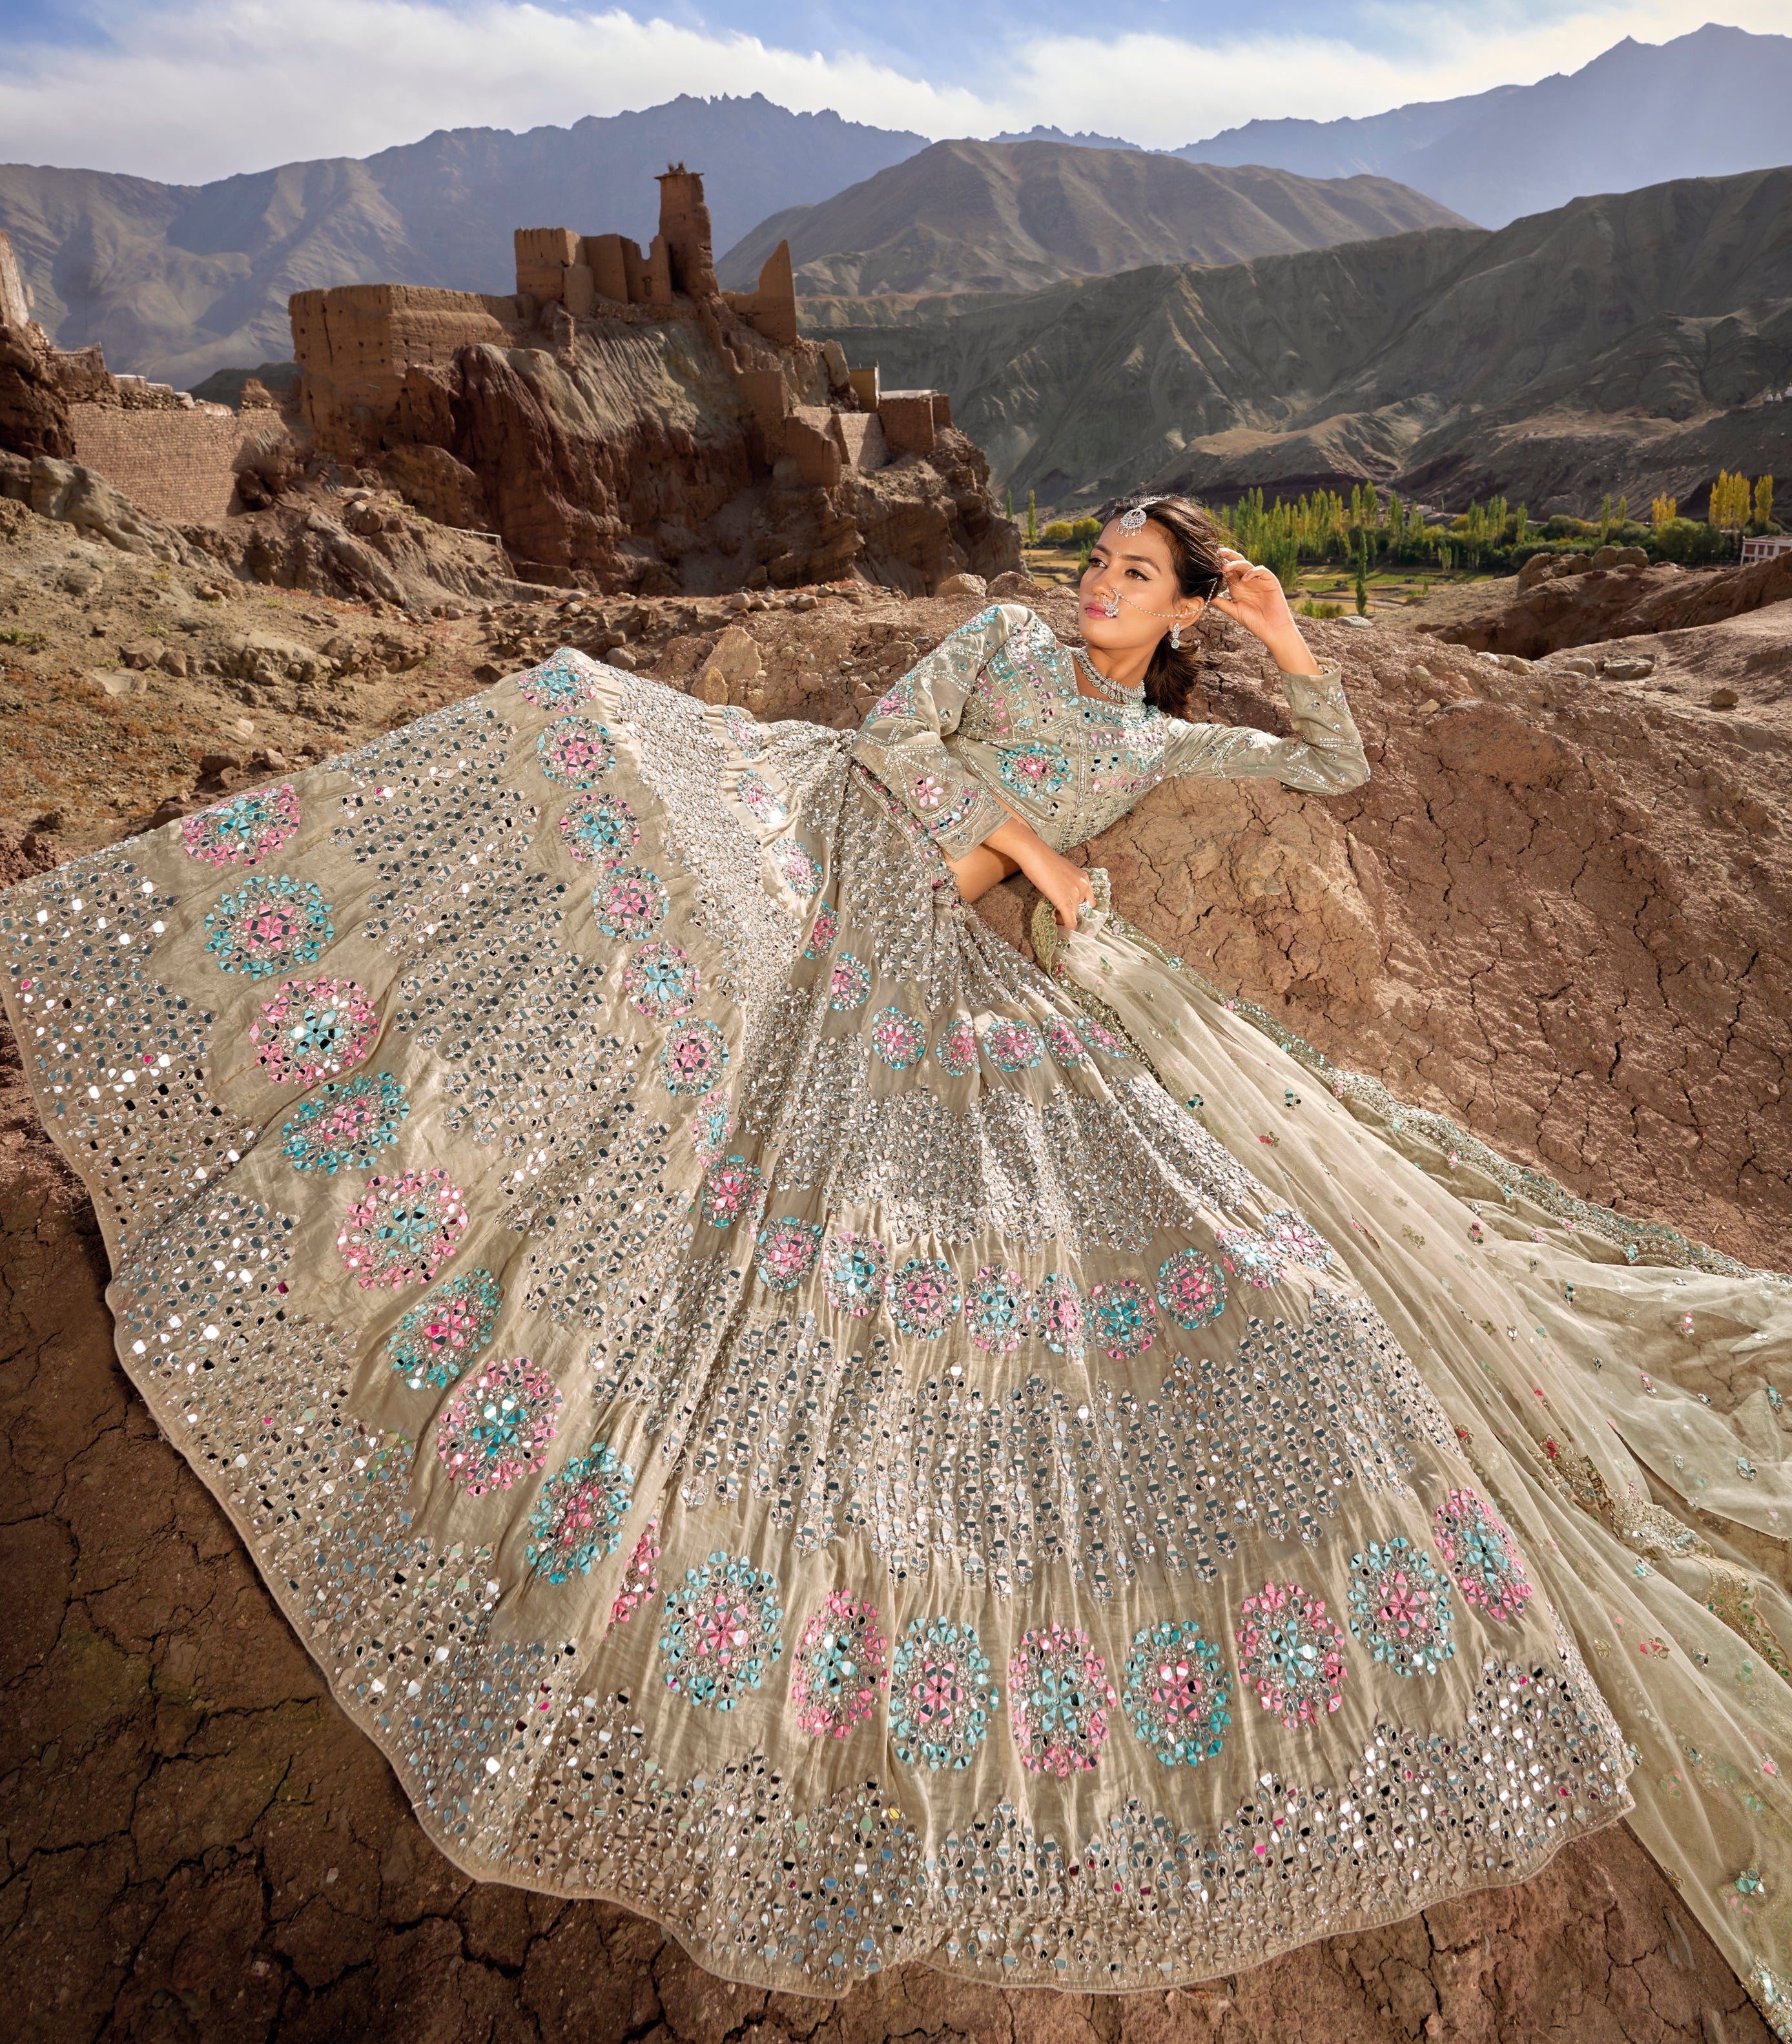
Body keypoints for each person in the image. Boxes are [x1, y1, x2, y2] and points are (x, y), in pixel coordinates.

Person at [1, 495, 1786, 2021]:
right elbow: (882, 744)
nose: (1095, 583)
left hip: (928, 958)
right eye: (1098, 557)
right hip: (812, 840)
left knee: (1078, 1255)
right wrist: (1024, 847)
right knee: (572, 734)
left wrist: (1284, 633)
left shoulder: (1162, 735)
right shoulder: (1000, 642)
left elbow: (1337, 763)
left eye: (1136, 578)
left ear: (1174, 624)